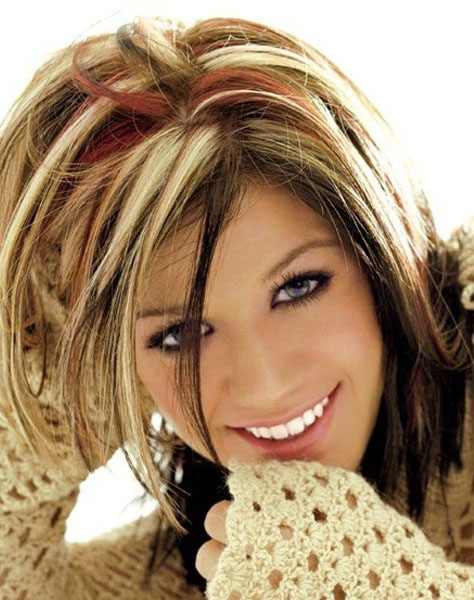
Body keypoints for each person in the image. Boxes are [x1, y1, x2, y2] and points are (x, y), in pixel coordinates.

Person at [0, 13, 473, 600]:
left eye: (298, 287)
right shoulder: (196, 570)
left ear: (380, 253)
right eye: (178, 334)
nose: (264, 385)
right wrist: (49, 367)